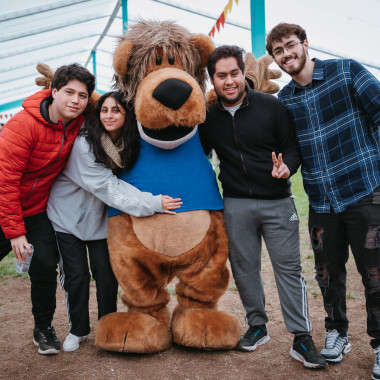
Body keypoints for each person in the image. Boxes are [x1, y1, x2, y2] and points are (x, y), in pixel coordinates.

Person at [199, 45, 326, 369]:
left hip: (278, 202)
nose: (229, 81)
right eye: (221, 75)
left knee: (289, 270)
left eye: (234, 73)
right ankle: (257, 326)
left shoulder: (272, 106)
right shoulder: (209, 118)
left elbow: (292, 149)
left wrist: (287, 168)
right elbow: (199, 156)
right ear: (212, 79)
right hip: (236, 204)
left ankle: (301, 337)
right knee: (245, 269)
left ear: (244, 73)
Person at [266, 23, 380, 378]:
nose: (287, 55)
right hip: (321, 200)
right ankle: (337, 332)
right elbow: (293, 151)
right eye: (279, 51)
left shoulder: (347, 71)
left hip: (365, 191)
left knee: (375, 273)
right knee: (328, 274)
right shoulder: (285, 100)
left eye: (290, 46)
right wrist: (287, 168)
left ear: (305, 44)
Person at [47, 91, 182, 352]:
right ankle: (78, 329)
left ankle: (106, 325)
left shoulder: (127, 143)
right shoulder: (85, 145)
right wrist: (153, 203)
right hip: (67, 218)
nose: (109, 115)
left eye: (116, 110)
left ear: (126, 115)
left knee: (107, 275)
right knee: (77, 276)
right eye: (104, 110)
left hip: (98, 219)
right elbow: (109, 188)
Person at [0, 63, 95, 355]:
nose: (75, 100)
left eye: (82, 95)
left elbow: (110, 105)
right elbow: (5, 182)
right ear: (53, 91)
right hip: (5, 204)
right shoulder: (22, 125)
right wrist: (15, 233)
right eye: (68, 92)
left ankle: (43, 329)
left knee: (43, 265)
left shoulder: (79, 123)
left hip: (36, 210)